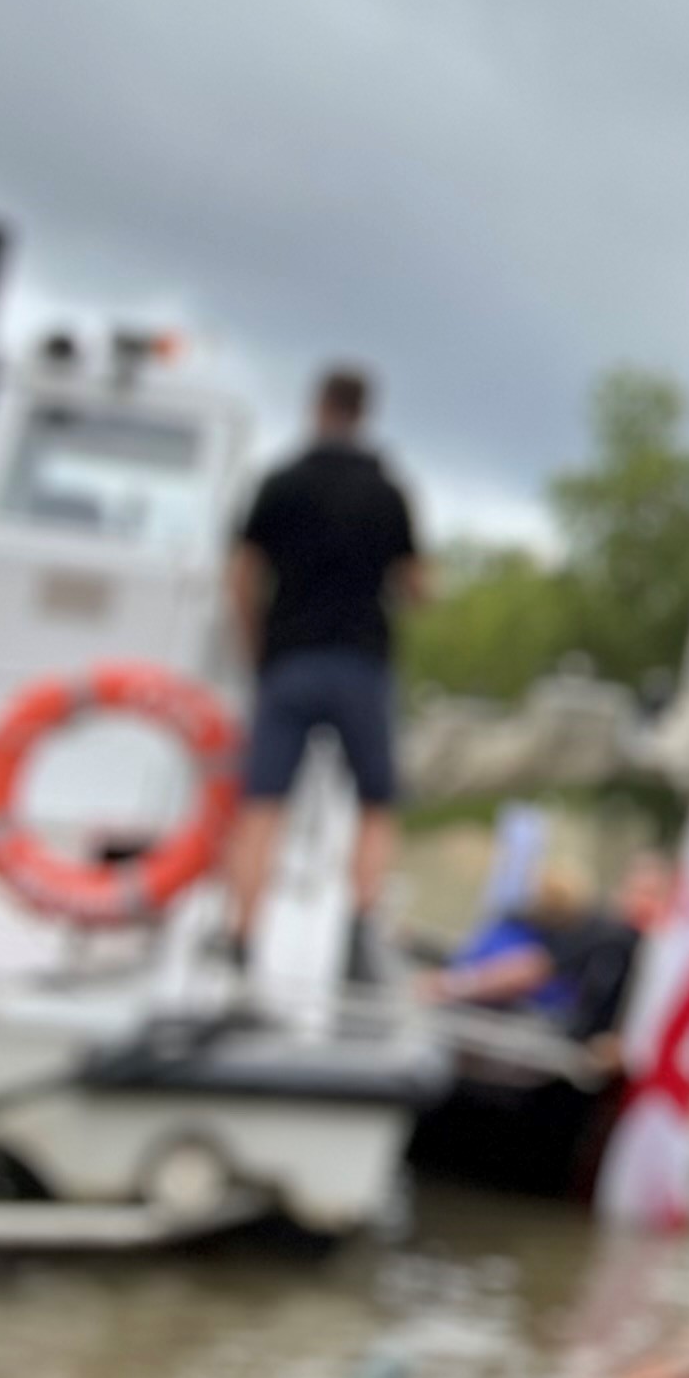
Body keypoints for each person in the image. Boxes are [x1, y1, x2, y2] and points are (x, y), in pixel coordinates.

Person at [222, 364, 423, 978]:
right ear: (365, 412)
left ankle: (241, 937)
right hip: (361, 662)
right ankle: (358, 934)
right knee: (376, 805)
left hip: (289, 661)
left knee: (262, 804)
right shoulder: (387, 491)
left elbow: (241, 575)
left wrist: (256, 648)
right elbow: (416, 585)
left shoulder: (281, 482)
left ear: (319, 406)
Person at [424, 853, 672, 1045]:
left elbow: (525, 973)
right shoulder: (605, 935)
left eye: (652, 895)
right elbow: (529, 970)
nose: (642, 903)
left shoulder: (661, 957)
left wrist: (452, 985)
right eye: (637, 892)